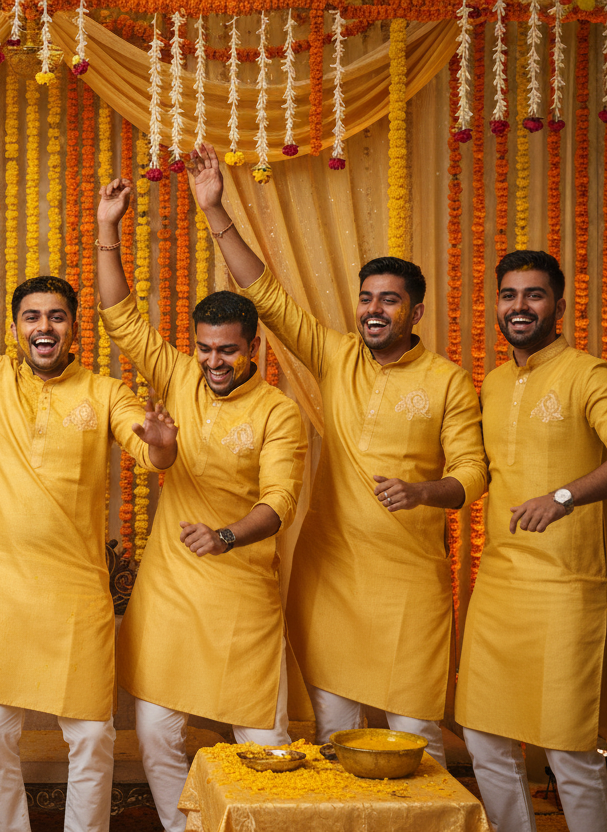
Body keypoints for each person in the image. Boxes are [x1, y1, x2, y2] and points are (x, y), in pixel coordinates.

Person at [186, 144, 487, 766]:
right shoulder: (336, 356)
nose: (374, 311)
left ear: (416, 311)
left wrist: (424, 491)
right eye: (367, 299)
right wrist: (215, 210)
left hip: (410, 586)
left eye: (390, 300)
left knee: (418, 745)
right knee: (334, 742)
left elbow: (472, 473)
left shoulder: (449, 380)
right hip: (332, 580)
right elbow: (265, 296)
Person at [0, 165, 179, 832]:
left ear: (75, 329)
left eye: (57, 316)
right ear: (17, 328)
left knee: (91, 735)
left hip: (75, 596)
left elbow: (149, 455)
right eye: (32, 317)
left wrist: (165, 444)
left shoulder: (106, 392)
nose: (44, 327)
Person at [96, 178, 307, 832]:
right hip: (170, 592)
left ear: (254, 349)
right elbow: (121, 316)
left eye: (228, 351)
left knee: (263, 743)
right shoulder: (179, 376)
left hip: (242, 591)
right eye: (206, 349)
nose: (214, 362)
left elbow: (280, 502)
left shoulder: (279, 412)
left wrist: (226, 537)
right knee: (157, 733)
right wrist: (108, 228)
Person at [456, 250, 607, 832]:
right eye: (510, 295)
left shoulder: (589, 374)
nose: (520, 306)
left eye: (534, 295)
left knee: (568, 747)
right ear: (496, 305)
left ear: (559, 306)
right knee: (484, 737)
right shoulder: (492, 384)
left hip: (568, 586)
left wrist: (563, 497)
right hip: (499, 583)